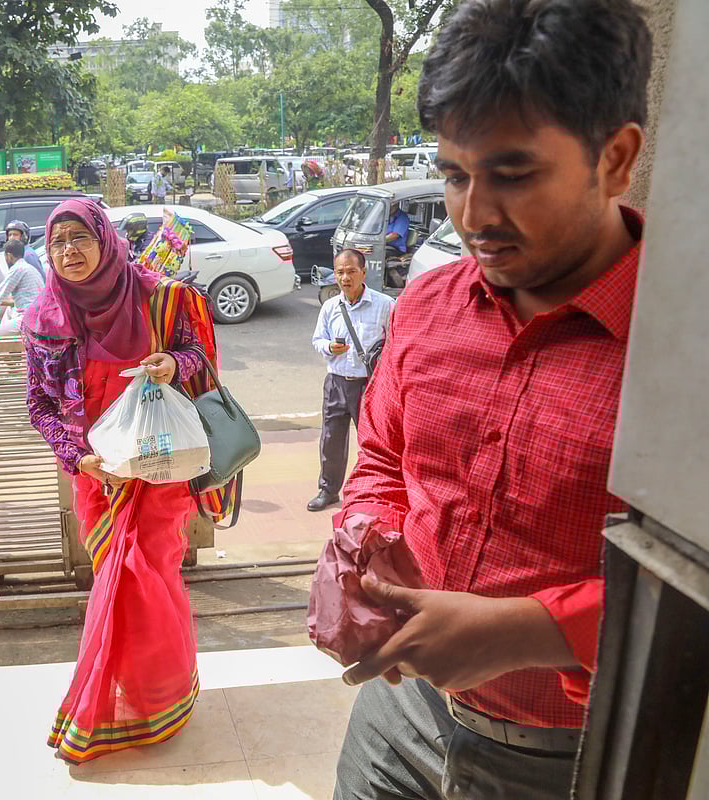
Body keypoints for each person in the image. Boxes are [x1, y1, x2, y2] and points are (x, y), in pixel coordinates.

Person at [323, 1, 651, 798]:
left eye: (511, 175)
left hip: (571, 759)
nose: (473, 216)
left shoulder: (682, 347)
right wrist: (365, 543)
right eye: (454, 174)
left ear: (615, 158)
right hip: (398, 723)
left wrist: (539, 631)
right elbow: (383, 458)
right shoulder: (428, 307)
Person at [22, 197, 220, 764]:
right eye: (58, 243)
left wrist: (171, 365)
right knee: (115, 580)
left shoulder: (159, 297)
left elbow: (198, 356)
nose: (69, 252)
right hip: (99, 477)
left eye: (79, 238)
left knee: (149, 578)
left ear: (104, 239)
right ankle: (127, 698)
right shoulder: (44, 319)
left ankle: (159, 697)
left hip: (161, 469)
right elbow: (39, 405)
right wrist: (75, 457)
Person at [306, 250, 393, 513]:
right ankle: (328, 490)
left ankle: (370, 494)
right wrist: (329, 347)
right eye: (340, 272)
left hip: (369, 385)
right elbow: (317, 339)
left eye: (351, 271)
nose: (345, 277)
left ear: (363, 273)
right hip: (335, 382)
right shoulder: (331, 307)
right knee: (331, 439)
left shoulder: (385, 305)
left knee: (372, 443)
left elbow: (397, 342)